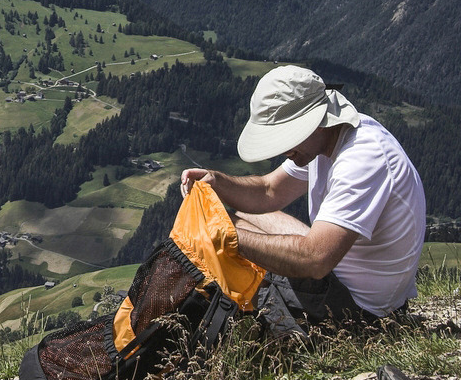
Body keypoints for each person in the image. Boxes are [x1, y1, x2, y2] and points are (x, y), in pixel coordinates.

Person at [180, 64, 425, 331]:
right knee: (238, 217)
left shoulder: (362, 158)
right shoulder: (328, 138)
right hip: (345, 278)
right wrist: (218, 182)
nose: (283, 149)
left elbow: (316, 260)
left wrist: (222, 236)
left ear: (317, 122)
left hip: (359, 311)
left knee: (231, 240)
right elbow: (268, 190)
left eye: (287, 136)